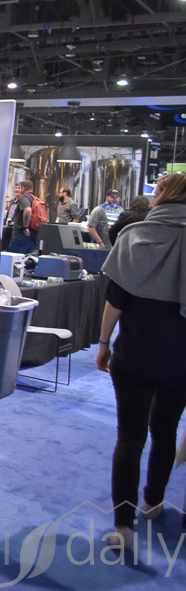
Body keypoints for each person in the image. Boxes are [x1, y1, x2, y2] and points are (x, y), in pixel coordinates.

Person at [96, 172, 186, 551]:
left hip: (134, 354)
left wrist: (103, 343)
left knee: (129, 439)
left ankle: (124, 528)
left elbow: (115, 300)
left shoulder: (134, 235)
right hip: (181, 360)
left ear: (161, 195)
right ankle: (153, 503)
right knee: (165, 431)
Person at [6, 180, 36, 254]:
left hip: (20, 236)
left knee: (13, 259)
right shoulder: (34, 199)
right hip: (32, 238)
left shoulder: (24, 197)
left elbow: (28, 210)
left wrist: (25, 227)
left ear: (23, 188)